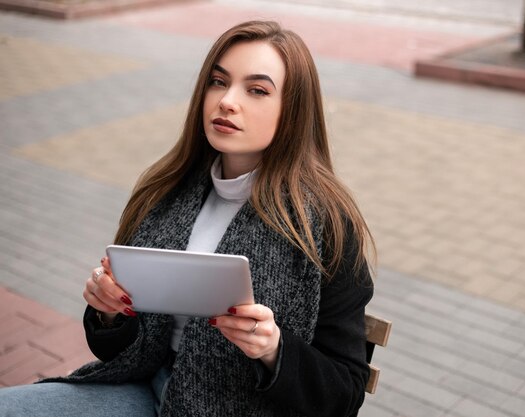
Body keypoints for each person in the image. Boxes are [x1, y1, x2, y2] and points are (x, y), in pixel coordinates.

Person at [0, 20, 375, 417]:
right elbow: (121, 351)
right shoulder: (166, 190)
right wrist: (109, 313)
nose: (227, 101)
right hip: (147, 390)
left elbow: (344, 393)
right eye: (218, 81)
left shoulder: (325, 222)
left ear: (293, 112)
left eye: (257, 90)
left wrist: (273, 349)